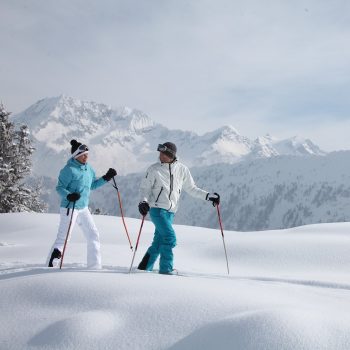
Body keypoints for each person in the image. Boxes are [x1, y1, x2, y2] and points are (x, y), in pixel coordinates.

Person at [137, 142, 220, 275]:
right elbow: (145, 189)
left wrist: (208, 196)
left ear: (171, 155)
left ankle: (143, 267)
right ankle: (166, 270)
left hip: (170, 212)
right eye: (160, 153)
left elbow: (191, 188)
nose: (160, 156)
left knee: (159, 242)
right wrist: (143, 201)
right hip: (157, 209)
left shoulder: (182, 169)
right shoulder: (154, 169)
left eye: (163, 154)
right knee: (170, 238)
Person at [48, 139, 117, 269]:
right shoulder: (68, 170)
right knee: (64, 237)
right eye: (83, 155)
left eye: (87, 154)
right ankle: (51, 265)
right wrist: (69, 195)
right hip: (70, 208)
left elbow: (92, 185)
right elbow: (59, 187)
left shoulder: (88, 169)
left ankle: (94, 266)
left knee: (93, 234)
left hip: (83, 208)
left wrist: (106, 177)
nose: (86, 157)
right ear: (76, 156)